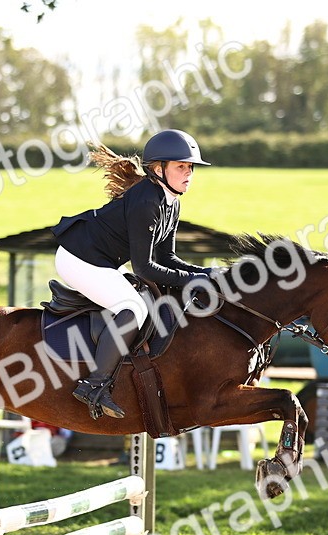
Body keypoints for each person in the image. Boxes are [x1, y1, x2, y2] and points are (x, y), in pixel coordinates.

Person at [51, 129, 218, 419]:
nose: (189, 173)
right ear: (158, 169)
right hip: (79, 259)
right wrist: (194, 280)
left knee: (139, 301)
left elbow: (166, 257)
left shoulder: (171, 201)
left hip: (100, 261)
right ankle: (94, 384)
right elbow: (144, 268)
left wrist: (206, 272)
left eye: (190, 167)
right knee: (132, 307)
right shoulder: (146, 200)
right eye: (181, 166)